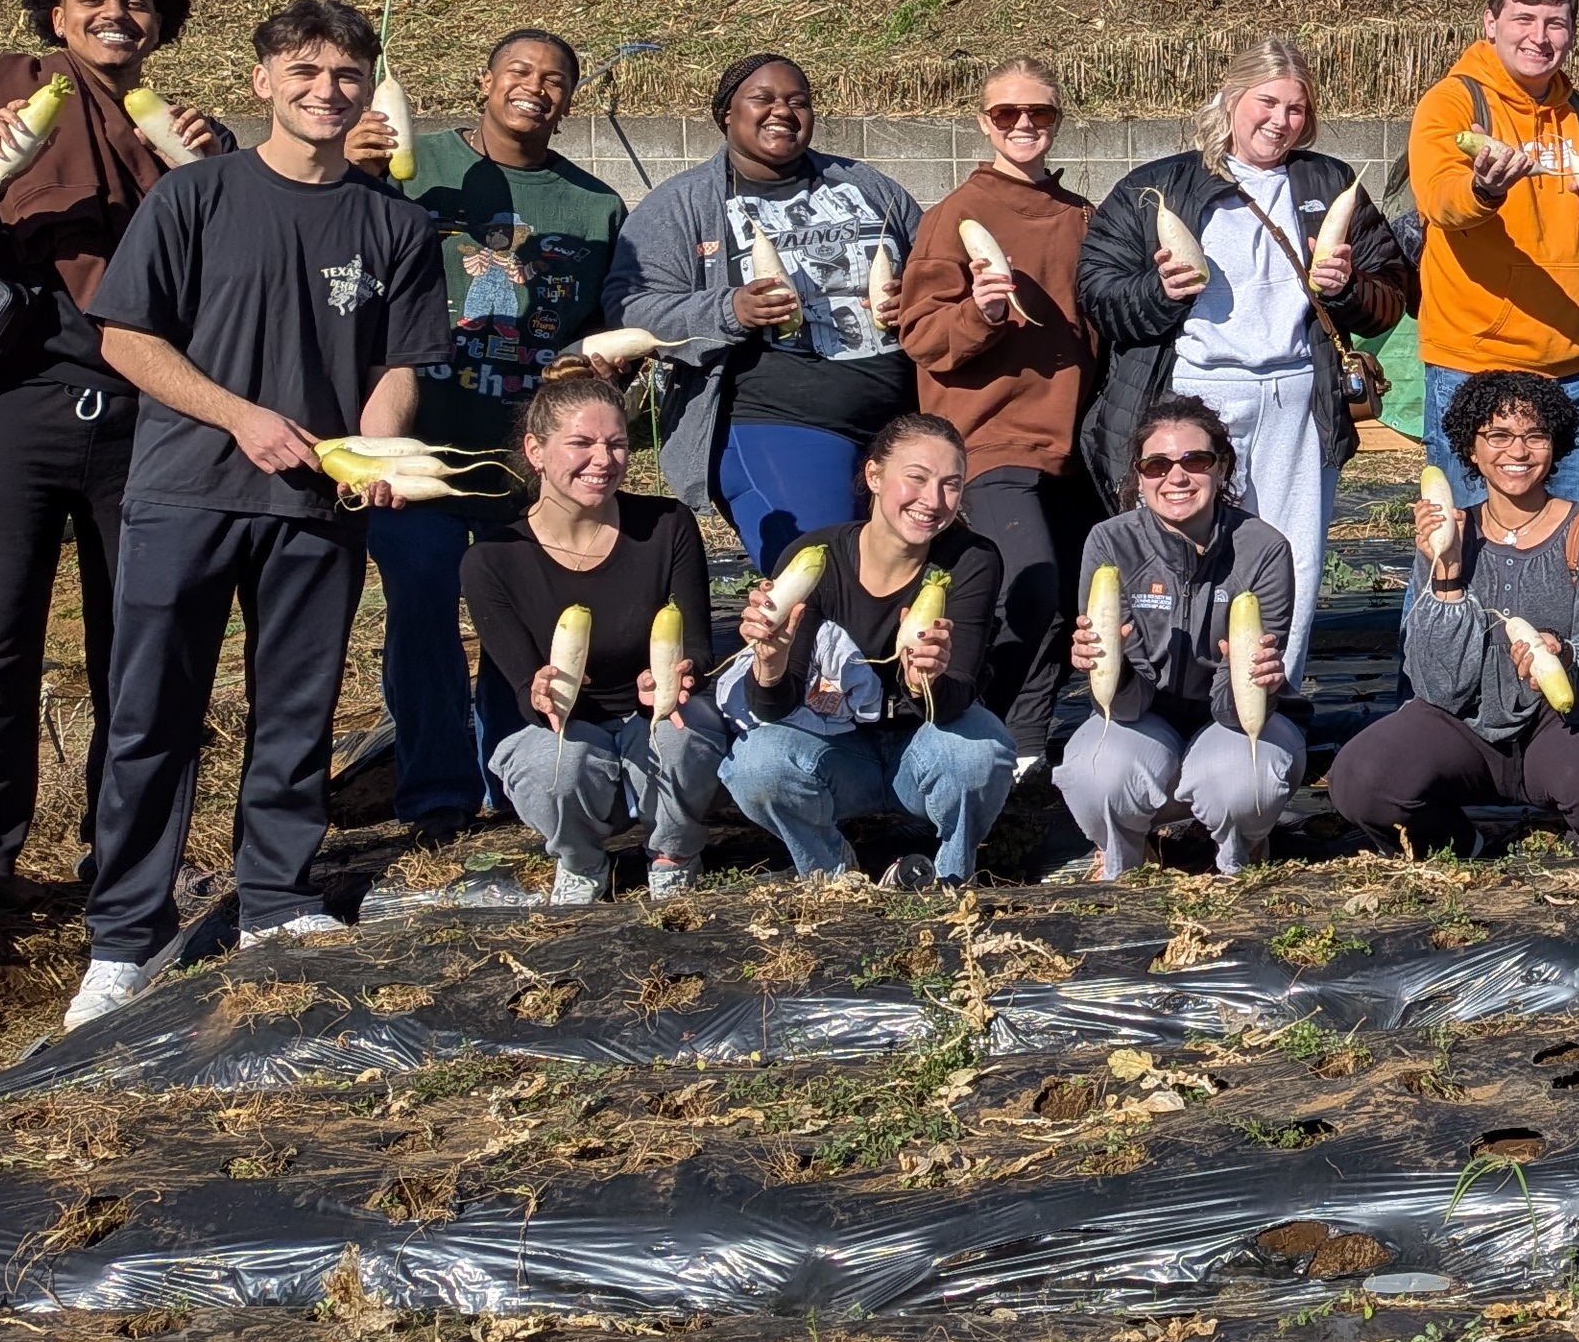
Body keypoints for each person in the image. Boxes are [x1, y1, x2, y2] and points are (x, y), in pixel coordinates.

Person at [64, 0, 449, 1028]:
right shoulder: (197, 197)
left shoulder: (395, 225)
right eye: (307, 71)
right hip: (188, 488)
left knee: (295, 707)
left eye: (349, 76)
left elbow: (401, 365)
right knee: (153, 715)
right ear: (263, 82)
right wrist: (242, 419)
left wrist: (372, 447)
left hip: (318, 507)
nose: (329, 91)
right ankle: (126, 934)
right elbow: (127, 343)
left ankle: (275, 895)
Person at [0, 0, 233, 963]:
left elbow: (228, 274)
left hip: (144, 414)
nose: (113, 16)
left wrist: (208, 179)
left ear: (158, 22)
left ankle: (131, 847)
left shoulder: (184, 132)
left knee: (139, 642)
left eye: (134, 3)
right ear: (56, 12)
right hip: (7, 412)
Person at [353, 29, 625, 846]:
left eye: (554, 79)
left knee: (525, 619)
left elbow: (605, 328)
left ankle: (517, 777)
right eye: (518, 71)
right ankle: (436, 791)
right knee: (425, 598)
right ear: (483, 81)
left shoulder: (594, 206)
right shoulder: (411, 166)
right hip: (419, 445)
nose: (534, 88)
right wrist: (355, 171)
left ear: (568, 100)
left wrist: (599, 362)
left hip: (524, 461)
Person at [1084, 39, 1412, 683]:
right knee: (1185, 546)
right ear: (1232, 100)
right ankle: (1172, 688)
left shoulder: (1326, 182)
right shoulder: (1159, 186)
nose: (1280, 120)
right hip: (1198, 396)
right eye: (1267, 102)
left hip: (1296, 397)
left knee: (1292, 551)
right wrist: (1158, 292)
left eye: (1296, 108)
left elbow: (1390, 298)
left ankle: (1269, 693)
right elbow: (1097, 292)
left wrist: (1346, 286)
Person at [605, 54, 920, 570]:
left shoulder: (868, 186)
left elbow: (935, 266)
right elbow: (630, 308)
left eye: (799, 101)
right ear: (726, 113)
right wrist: (730, 308)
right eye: (764, 99)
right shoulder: (681, 204)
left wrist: (918, 295)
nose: (784, 112)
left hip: (900, 417)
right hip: (777, 421)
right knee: (822, 575)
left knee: (903, 580)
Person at [1329, 370, 1579, 855]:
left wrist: (1565, 658)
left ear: (1555, 445)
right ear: (1471, 449)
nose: (1517, 453)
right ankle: (1461, 840)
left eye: (1534, 436)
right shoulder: (1448, 535)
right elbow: (1437, 687)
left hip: (1559, 722)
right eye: (1498, 436)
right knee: (1359, 780)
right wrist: (1447, 576)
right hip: (1461, 727)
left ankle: (1567, 831)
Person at [897, 61, 1105, 770]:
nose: (1024, 126)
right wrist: (982, 313)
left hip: (1074, 445)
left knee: (1070, 601)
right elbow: (922, 337)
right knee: (1030, 587)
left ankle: (1025, 747)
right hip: (990, 439)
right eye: (1007, 114)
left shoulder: (1083, 216)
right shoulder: (955, 214)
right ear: (983, 122)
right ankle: (971, 737)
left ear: (1058, 120)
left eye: (1040, 114)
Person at [712, 413, 1009, 887]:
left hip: (926, 746)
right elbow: (773, 707)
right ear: (873, 475)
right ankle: (833, 876)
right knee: (755, 764)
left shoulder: (971, 560)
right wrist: (771, 662)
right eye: (916, 478)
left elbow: (957, 699)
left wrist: (923, 681)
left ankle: (953, 879)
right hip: (837, 752)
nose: (932, 501)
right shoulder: (816, 558)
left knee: (979, 752)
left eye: (951, 485)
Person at [468, 372, 723, 900]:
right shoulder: (491, 558)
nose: (603, 460)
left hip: (647, 707)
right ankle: (581, 861)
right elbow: (520, 684)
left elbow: (695, 645)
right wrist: (537, 689)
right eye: (582, 444)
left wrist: (679, 674)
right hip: (568, 720)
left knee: (684, 731)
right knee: (549, 767)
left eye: (617, 444)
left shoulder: (666, 525)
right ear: (535, 451)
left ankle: (673, 850)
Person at [1406, 0, 1579, 514]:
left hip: (1576, 370)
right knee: (1458, 546)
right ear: (1491, 23)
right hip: (1475, 365)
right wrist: (1483, 190)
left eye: (1555, 23)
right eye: (1524, 19)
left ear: (1572, 33)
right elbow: (1440, 201)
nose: (1540, 36)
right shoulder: (1454, 103)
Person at [1053, 396, 1301, 878]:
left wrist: (1255, 679)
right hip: (1143, 717)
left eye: (1196, 460)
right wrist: (1111, 665)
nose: (1177, 476)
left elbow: (1240, 712)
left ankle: (1240, 855)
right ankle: (1125, 855)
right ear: (1139, 475)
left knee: (1243, 780)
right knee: (1095, 771)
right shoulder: (1109, 543)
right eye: (1157, 464)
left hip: (1232, 721)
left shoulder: (1264, 549)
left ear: (1221, 467)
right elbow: (1123, 706)